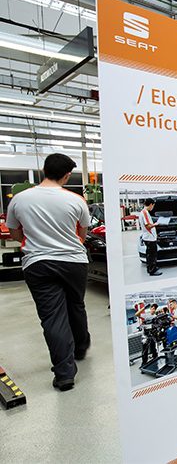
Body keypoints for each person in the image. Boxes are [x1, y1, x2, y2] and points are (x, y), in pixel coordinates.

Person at [6, 153, 92, 391]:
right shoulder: (76, 200)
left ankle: (64, 374)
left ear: (44, 170)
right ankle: (81, 347)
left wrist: (38, 241)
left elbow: (15, 233)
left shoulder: (19, 200)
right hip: (74, 262)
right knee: (76, 305)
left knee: (53, 317)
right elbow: (82, 235)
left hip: (38, 263)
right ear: (66, 176)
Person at [139, 198, 161, 276]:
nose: (153, 207)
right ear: (151, 204)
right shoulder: (145, 212)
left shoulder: (144, 212)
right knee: (152, 255)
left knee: (150, 254)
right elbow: (148, 226)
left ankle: (152, 267)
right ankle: (152, 270)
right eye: (153, 206)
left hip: (149, 237)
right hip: (149, 238)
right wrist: (156, 224)